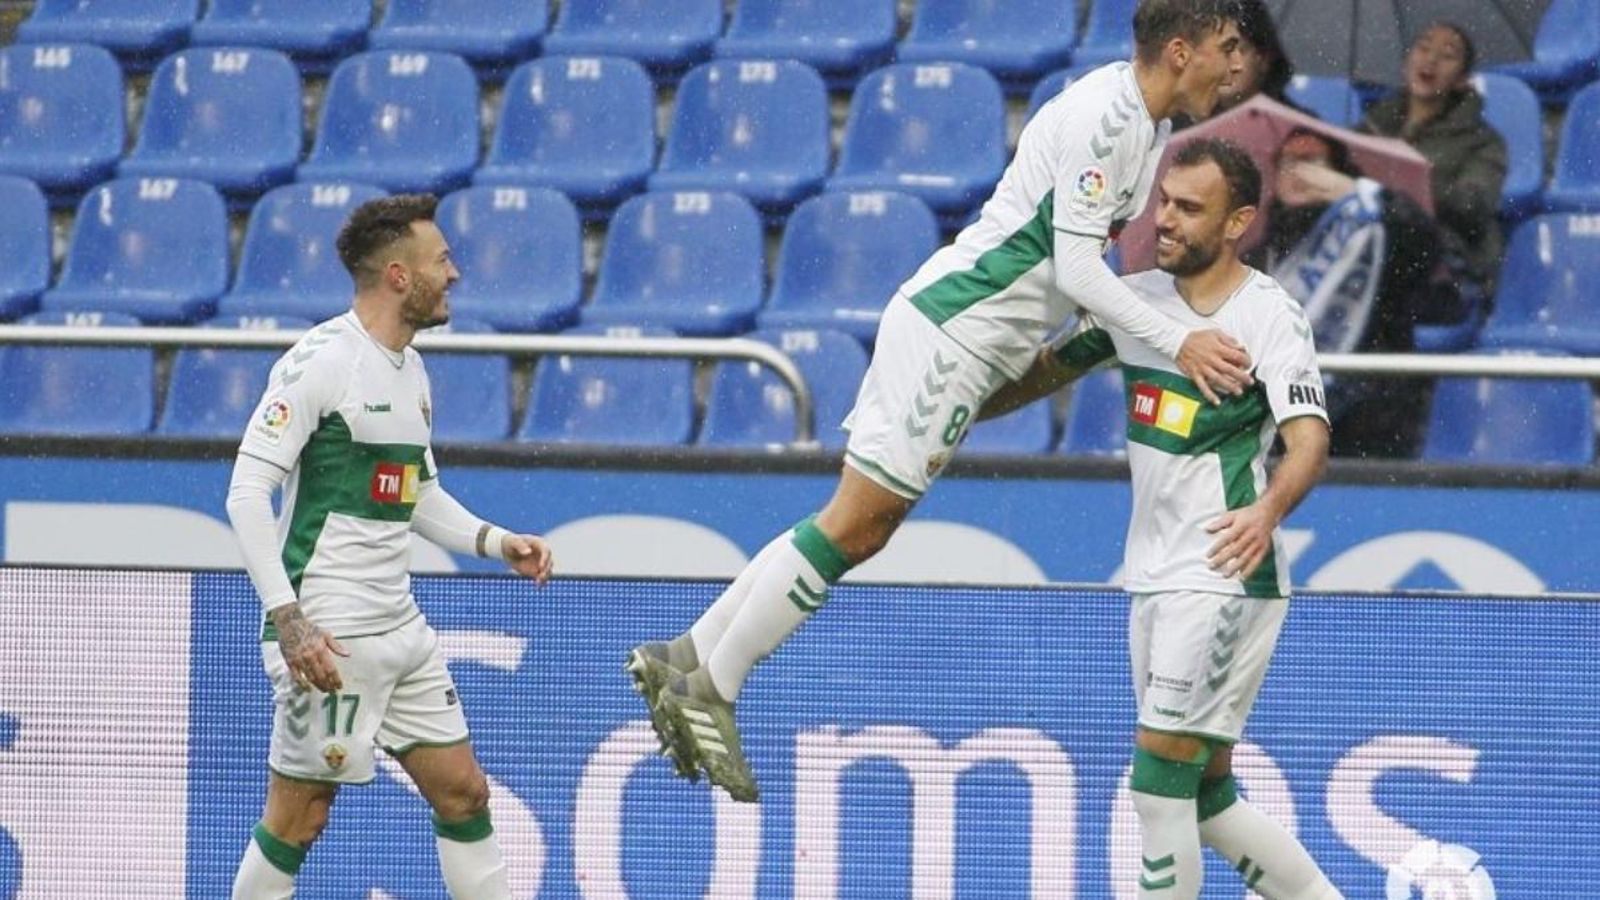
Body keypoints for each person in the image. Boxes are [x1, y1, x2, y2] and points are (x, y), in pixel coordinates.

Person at [628, 0, 1255, 804]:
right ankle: (715, 684)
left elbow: (1070, 269)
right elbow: (1074, 270)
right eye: (1227, 48)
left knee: (849, 520)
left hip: (967, 336)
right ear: (1179, 50)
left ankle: (688, 656)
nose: (1236, 65)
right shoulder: (1110, 117)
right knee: (859, 526)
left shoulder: (1146, 126)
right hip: (955, 334)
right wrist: (1180, 340)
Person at [985, 139, 1341, 900]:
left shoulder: (1268, 316)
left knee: (1155, 789)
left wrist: (1266, 511)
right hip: (1152, 576)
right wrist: (948, 410)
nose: (1165, 221)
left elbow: (1309, 440)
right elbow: (1043, 372)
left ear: (1239, 221)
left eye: (1188, 208)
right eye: (1163, 203)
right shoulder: (1134, 301)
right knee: (1205, 799)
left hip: (1219, 572)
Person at [225, 194, 554, 899]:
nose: (456, 274)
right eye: (442, 261)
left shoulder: (409, 369)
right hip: (329, 633)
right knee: (299, 818)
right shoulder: (322, 362)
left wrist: (497, 542)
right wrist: (289, 619)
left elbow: (417, 493)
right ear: (400, 276)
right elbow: (246, 493)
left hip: (400, 628)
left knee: (464, 793)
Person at [1247, 127, 1447, 457]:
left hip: (1370, 414)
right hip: (1282, 421)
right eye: (1285, 163)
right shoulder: (1257, 255)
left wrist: (1360, 193)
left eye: (1310, 161)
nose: (1296, 172)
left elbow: (1426, 244)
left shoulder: (1377, 233)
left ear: (1337, 172)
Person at [1358, 21, 1508, 302]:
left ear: (1463, 79)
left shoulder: (1483, 141)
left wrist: (1407, 175)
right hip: (1370, 255)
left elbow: (1472, 206)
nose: (1431, 59)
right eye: (1423, 47)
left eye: (1448, 55)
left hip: (1442, 268)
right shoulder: (1375, 124)